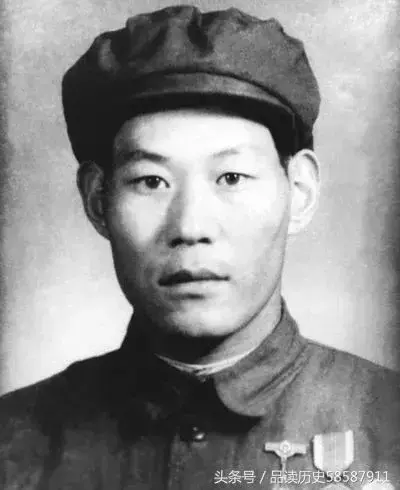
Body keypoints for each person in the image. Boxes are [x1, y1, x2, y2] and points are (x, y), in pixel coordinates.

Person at [0, 5, 399, 489]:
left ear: (300, 191)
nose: (190, 226)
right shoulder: (13, 444)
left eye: (231, 177)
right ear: (98, 200)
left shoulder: (387, 426)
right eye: (151, 181)